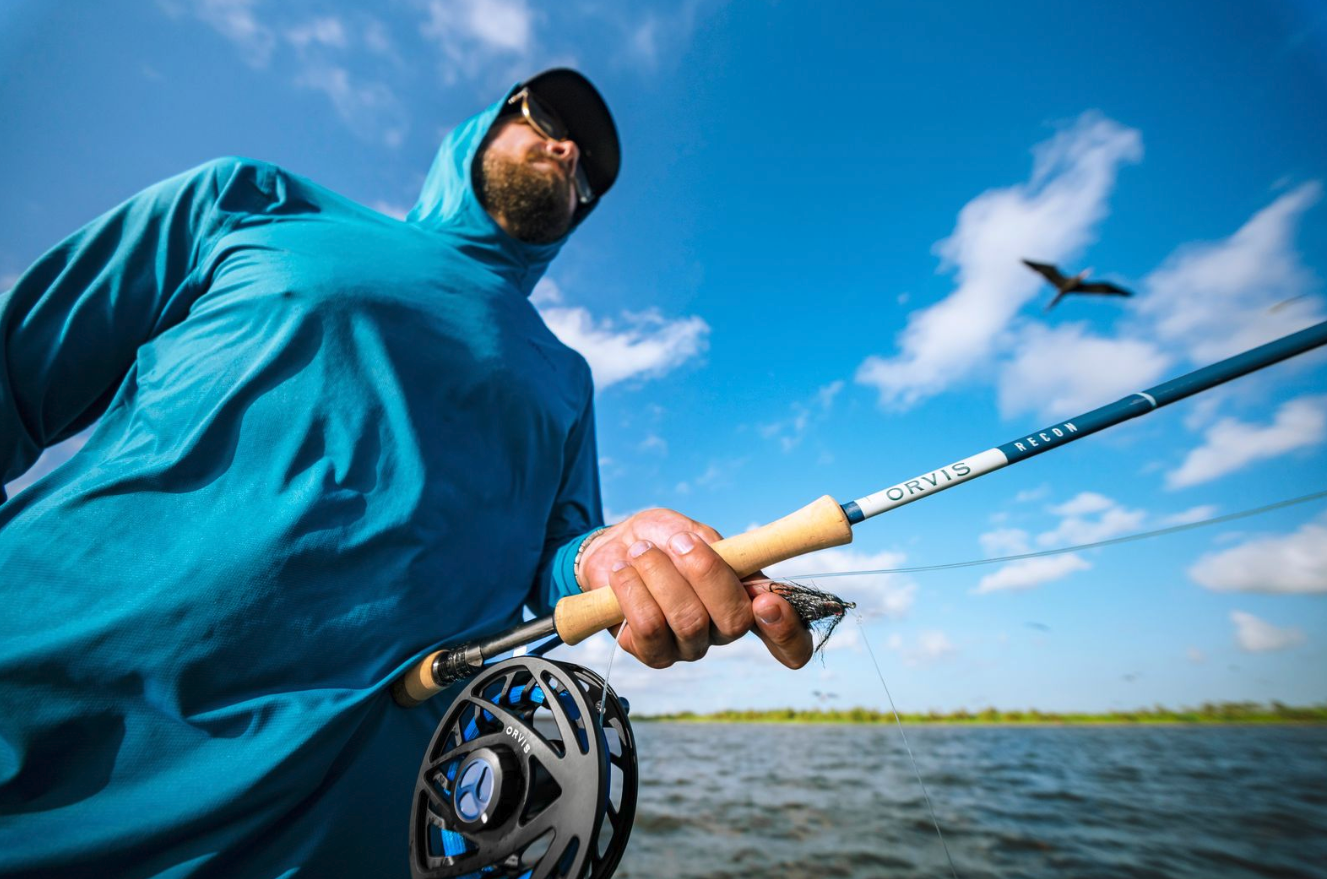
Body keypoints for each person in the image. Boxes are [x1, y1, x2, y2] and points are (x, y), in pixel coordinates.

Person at [0, 69, 811, 877]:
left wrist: (610, 557)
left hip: (325, 840)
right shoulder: (250, 199)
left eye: (589, 172)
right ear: (478, 128)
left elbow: (561, 557)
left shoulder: (567, 376)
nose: (568, 151)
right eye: (547, 118)